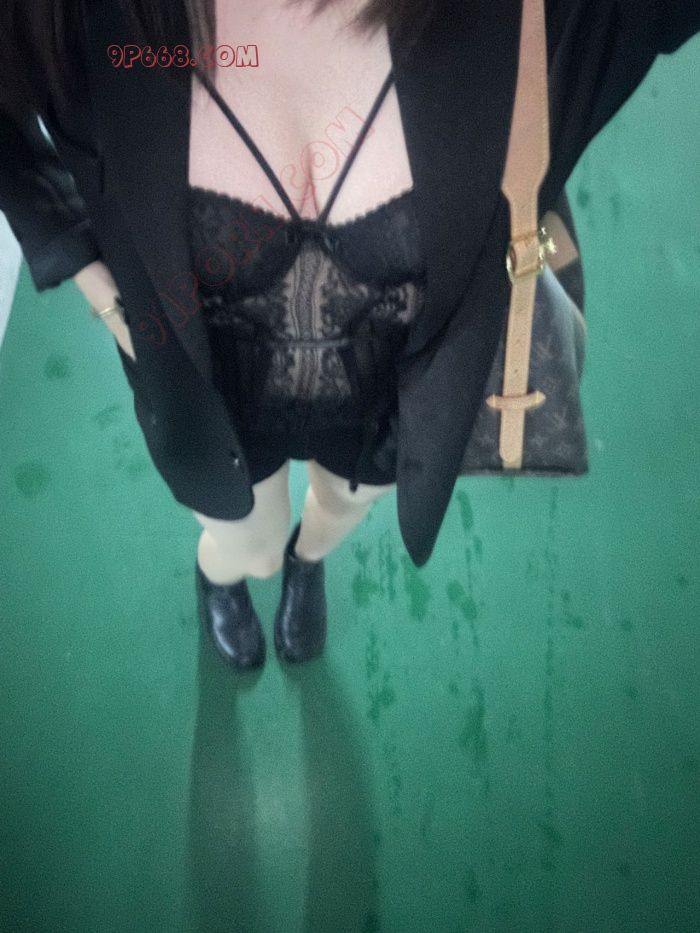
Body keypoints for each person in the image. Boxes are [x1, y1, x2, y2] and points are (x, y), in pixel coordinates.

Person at [0, 0, 698, 671]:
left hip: (389, 409)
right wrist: (81, 263)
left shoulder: (553, 16)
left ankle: (309, 563)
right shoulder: (81, 17)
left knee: (337, 511)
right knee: (249, 548)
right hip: (210, 407)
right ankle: (229, 575)